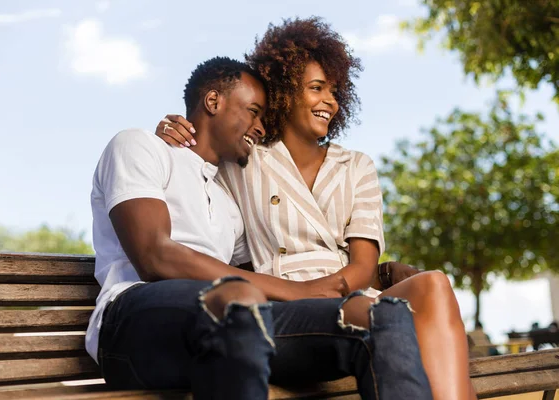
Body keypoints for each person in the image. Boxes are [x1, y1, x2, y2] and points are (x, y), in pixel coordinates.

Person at [157, 17, 475, 400]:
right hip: (281, 305)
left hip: (347, 293)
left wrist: (342, 286)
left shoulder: (356, 165)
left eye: (335, 90)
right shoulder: (246, 156)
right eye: (317, 88)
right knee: (382, 320)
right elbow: (204, 146)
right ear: (285, 90)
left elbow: (362, 265)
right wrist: (174, 130)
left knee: (434, 283)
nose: (331, 101)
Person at [87, 56, 432, 400]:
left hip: (240, 323)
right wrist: (296, 292)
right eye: (254, 112)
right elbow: (155, 255)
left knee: (380, 317)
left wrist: (379, 275)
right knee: (240, 300)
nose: (262, 128)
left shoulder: (227, 199)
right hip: (132, 324)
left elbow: (271, 264)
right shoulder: (140, 145)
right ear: (213, 101)